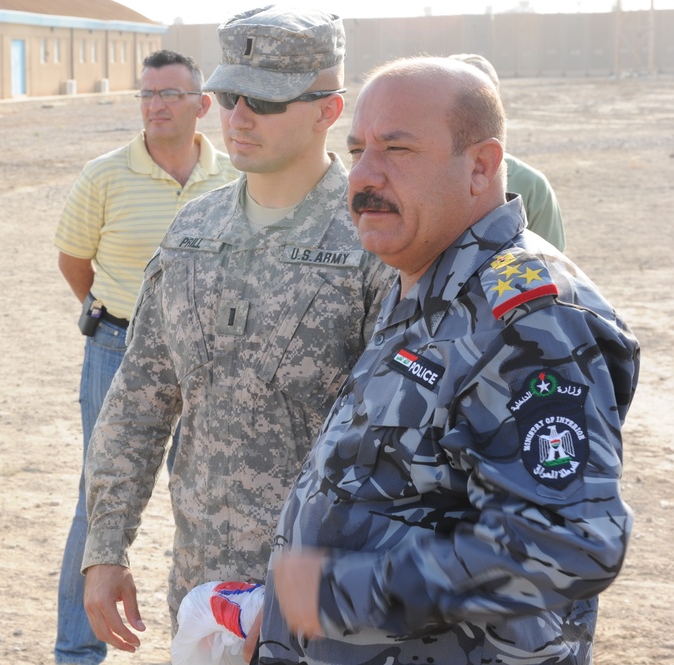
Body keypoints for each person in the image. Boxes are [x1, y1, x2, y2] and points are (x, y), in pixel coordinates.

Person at [258, 56, 639, 665]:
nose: (363, 175)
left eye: (397, 149)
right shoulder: (426, 275)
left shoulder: (531, 319)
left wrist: (336, 598)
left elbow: (569, 542)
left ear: (481, 167)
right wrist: (282, 613)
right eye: (357, 149)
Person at [81, 5, 393, 656]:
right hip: (201, 591)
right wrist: (105, 546)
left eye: (266, 100)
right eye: (228, 95)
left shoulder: (374, 243)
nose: (238, 116)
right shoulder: (192, 231)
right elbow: (139, 400)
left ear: (327, 110)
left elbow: (396, 451)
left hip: (323, 605)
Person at [53, 49, 237, 665]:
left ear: (202, 105)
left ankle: (211, 642)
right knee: (98, 503)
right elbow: (75, 262)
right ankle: (77, 654)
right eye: (147, 94)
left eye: (170, 94)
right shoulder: (104, 175)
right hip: (117, 349)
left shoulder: (235, 179)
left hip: (210, 359)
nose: (155, 105)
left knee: (212, 496)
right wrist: (121, 323)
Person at [449, 53, 567, 251]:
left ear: (498, 109)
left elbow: (549, 269)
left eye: (479, 104)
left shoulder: (532, 186)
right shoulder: (414, 175)